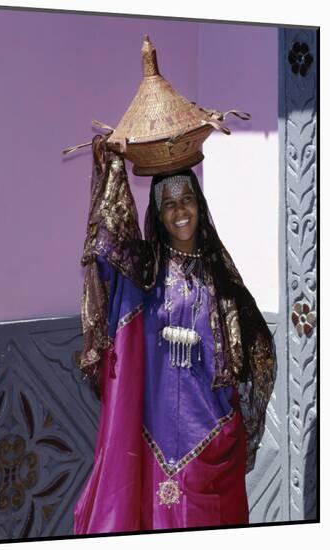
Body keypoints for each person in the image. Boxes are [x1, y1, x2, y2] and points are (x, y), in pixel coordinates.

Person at [73, 134, 277, 534]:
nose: (180, 211)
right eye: (169, 204)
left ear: (200, 206)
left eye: (187, 200)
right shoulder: (145, 271)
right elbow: (109, 243)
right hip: (156, 439)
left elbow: (253, 345)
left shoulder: (218, 273)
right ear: (159, 213)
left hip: (214, 434)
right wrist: (112, 162)